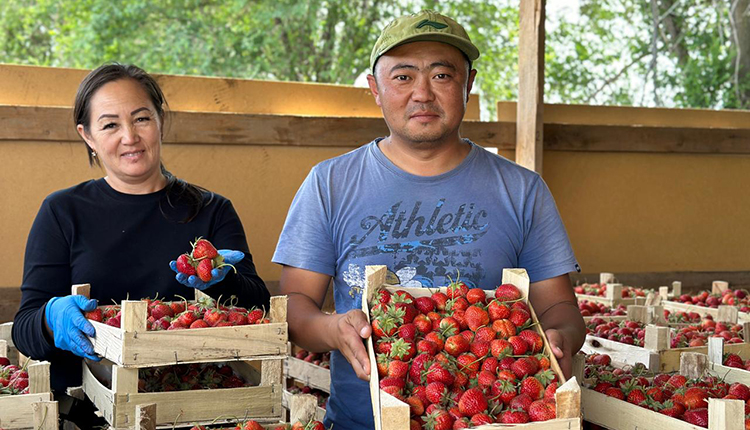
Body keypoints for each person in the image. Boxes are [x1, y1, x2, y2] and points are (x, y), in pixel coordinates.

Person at [272, 9, 586, 429]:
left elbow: (561, 307)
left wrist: (559, 338)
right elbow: (295, 307)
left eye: (442, 76)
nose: (422, 93)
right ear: (375, 89)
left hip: (491, 419)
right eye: (403, 77)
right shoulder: (329, 184)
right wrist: (334, 329)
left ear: (468, 84)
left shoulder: (522, 190)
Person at [12, 64, 269, 427]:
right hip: (90, 412)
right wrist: (51, 318)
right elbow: (25, 329)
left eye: (141, 118)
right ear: (88, 136)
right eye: (110, 124)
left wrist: (223, 279)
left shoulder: (212, 210)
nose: (130, 136)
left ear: (161, 121)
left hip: (196, 409)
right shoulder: (62, 212)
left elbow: (260, 306)